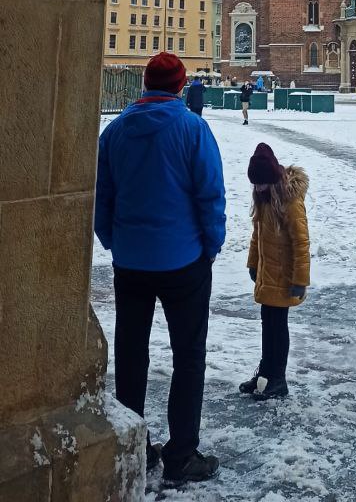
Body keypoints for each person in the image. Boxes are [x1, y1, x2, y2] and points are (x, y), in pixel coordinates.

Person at [94, 52, 226, 486]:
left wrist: (117, 242)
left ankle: (134, 447)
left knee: (131, 354)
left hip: (131, 261)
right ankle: (181, 454)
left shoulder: (114, 132)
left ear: (145, 84)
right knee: (188, 355)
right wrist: (211, 245)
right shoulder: (193, 128)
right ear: (181, 85)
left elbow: (102, 199)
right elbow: (210, 195)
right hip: (183, 261)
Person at [239, 143, 310, 401]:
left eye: (261, 183)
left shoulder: (290, 202)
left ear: (271, 178)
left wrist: (300, 280)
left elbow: (301, 243)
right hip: (268, 275)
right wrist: (253, 263)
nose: (257, 188)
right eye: (254, 184)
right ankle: (264, 376)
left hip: (284, 278)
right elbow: (257, 234)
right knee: (268, 325)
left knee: (277, 328)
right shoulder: (264, 197)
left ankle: (277, 379)